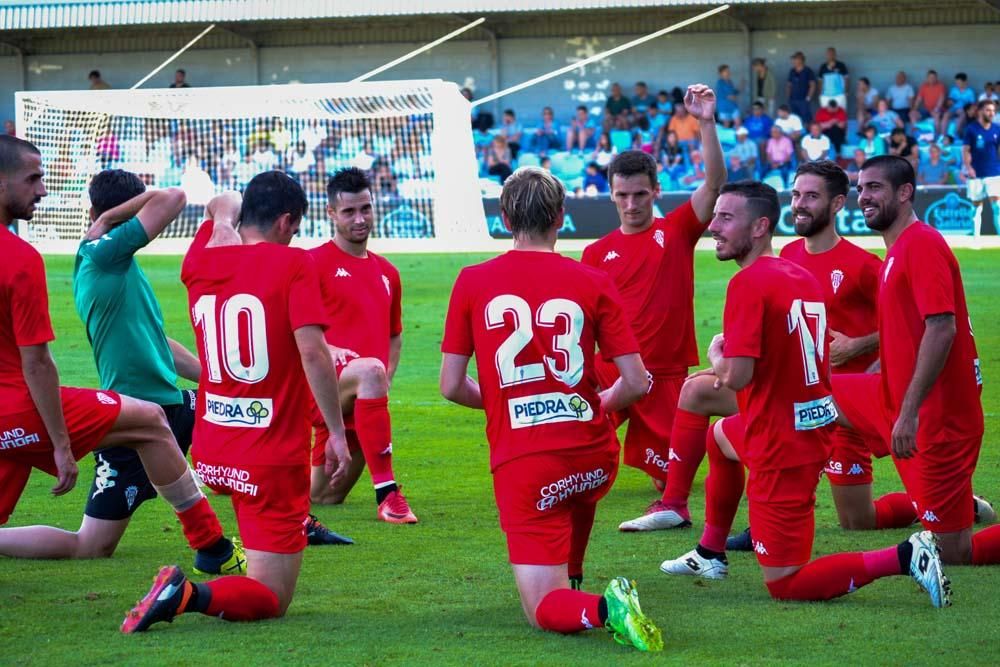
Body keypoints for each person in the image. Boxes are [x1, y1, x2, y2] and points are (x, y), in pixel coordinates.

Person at [657, 179, 950, 607]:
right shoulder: (799, 274)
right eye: (714, 216)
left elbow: (736, 377)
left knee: (786, 583)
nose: (713, 226)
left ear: (759, 227)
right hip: (805, 425)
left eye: (725, 218)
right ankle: (709, 553)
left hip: (781, 445)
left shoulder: (748, 284)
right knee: (719, 439)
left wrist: (717, 354)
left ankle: (906, 556)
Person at [440, 166, 662, 651]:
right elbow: (637, 382)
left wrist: (506, 406)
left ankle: (606, 609)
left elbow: (452, 386)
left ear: (502, 218)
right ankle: (575, 578)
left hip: (530, 461)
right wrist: (595, 404)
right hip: (592, 455)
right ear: (562, 217)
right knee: (575, 496)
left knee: (542, 611)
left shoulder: (474, 281)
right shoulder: (593, 280)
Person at [121, 174, 353, 632]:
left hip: (214, 448)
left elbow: (219, 209)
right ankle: (185, 594)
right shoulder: (294, 265)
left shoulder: (200, 262)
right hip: (269, 455)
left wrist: (225, 212)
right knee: (271, 597)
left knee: (257, 535)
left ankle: (227, 560)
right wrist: (337, 433)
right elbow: (312, 352)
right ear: (288, 221)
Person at [0, 135, 234, 581]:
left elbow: (157, 342)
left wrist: (214, 379)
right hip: (95, 406)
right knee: (93, 542)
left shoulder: (120, 267)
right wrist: (62, 445)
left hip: (167, 402)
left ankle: (283, 525)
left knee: (243, 419)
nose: (44, 190)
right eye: (34, 178)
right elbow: (173, 197)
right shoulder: (98, 255)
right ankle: (213, 546)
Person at [830, 155, 1000, 570]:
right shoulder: (897, 248)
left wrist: (906, 415)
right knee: (810, 396)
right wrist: (881, 370)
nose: (863, 197)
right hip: (893, 398)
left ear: (905, 193)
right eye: (861, 188)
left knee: (953, 553)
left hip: (935, 420)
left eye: (875, 188)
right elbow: (909, 331)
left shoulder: (921, 244)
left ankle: (958, 508)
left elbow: (942, 328)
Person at [581, 84, 725, 529]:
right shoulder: (595, 253)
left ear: (656, 190)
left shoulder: (678, 230)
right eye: (622, 195)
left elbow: (715, 183)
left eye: (640, 195)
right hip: (614, 367)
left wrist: (705, 121)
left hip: (664, 373)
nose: (631, 204)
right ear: (610, 194)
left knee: (667, 477)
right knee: (576, 417)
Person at [306, 168, 418, 523]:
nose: (360, 219)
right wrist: (327, 346)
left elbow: (395, 335)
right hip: (323, 393)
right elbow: (290, 329)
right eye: (349, 211)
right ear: (330, 213)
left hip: (361, 407)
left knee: (324, 497)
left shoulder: (388, 273)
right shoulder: (310, 264)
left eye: (366, 209)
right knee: (370, 370)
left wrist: (384, 383)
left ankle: (238, 475)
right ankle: (388, 495)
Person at [962, 99, 1000, 236]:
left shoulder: (997, 129)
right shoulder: (971, 129)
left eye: (993, 111)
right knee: (976, 208)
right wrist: (969, 167)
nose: (991, 113)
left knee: (997, 207)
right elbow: (966, 150)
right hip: (976, 174)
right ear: (980, 111)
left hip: (994, 173)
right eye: (988, 110)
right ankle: (975, 238)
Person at [911, 70, 946, 134]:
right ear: (927, 78)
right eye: (930, 77)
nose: (932, 79)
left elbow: (941, 99)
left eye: (934, 77)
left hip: (937, 109)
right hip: (926, 110)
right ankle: (916, 135)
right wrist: (914, 109)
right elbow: (919, 99)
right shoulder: (923, 86)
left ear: (936, 78)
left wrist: (936, 109)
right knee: (912, 114)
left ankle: (937, 136)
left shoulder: (941, 86)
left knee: (936, 116)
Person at [786, 51, 816, 123]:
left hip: (803, 100)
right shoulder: (792, 71)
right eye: (793, 59)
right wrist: (789, 97)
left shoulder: (808, 71)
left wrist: (808, 98)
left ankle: (808, 133)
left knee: (807, 120)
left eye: (795, 59)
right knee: (795, 119)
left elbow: (813, 85)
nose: (793, 61)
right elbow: (789, 85)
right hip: (793, 100)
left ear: (800, 60)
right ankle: (798, 134)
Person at [817, 47, 849, 111]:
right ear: (826, 55)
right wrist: (820, 93)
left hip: (839, 94)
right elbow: (820, 81)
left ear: (835, 54)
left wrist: (845, 91)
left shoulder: (841, 65)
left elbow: (846, 79)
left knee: (841, 113)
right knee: (826, 114)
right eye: (829, 54)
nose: (830, 55)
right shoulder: (823, 66)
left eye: (832, 53)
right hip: (826, 95)